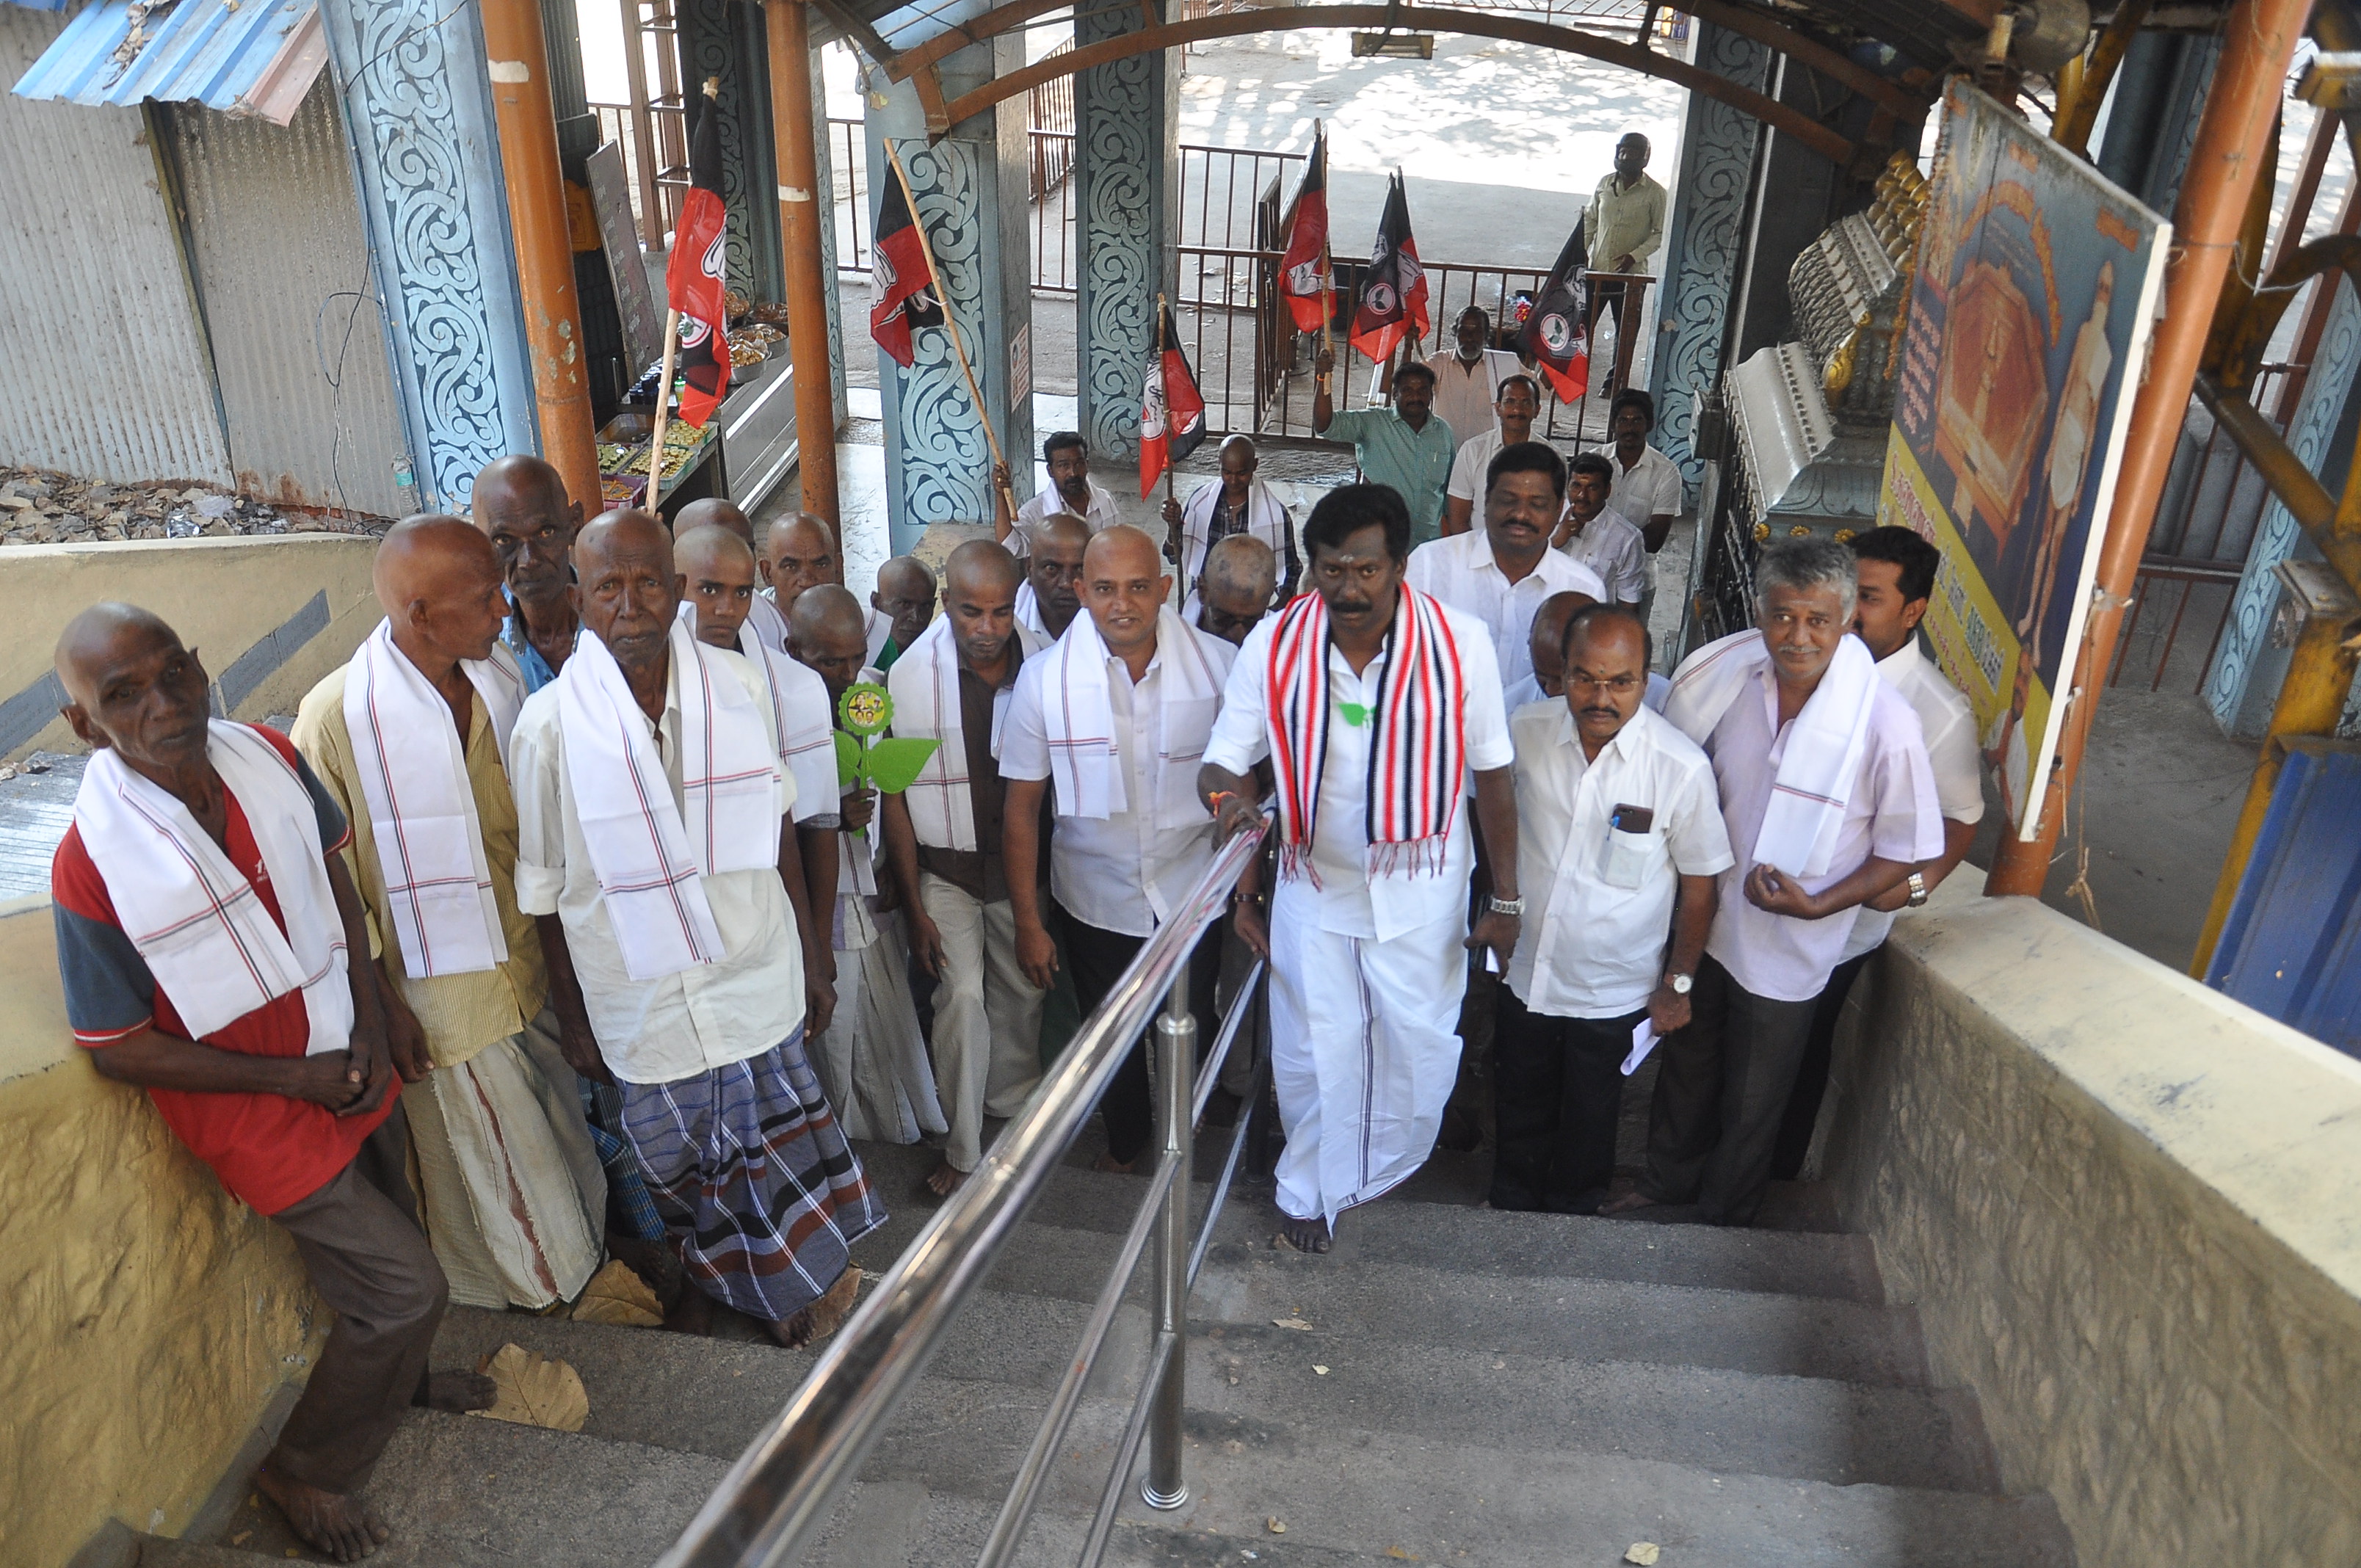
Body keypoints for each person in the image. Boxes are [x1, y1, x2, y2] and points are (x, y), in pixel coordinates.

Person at [49, 603, 487, 1564]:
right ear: (83, 725)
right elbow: (116, 1044)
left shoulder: (263, 758)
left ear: (204, 666)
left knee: (402, 1228)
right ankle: (305, 1468)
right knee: (405, 1288)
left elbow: (332, 875)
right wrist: (296, 1077)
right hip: (260, 1108)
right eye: (124, 696)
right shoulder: (92, 864)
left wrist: (373, 1014)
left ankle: (404, 1387)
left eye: (176, 675)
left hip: (345, 1045)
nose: (164, 707)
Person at [509, 509, 879, 1346]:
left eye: (647, 583)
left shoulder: (740, 689)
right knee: (679, 1171)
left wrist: (815, 957)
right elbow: (544, 892)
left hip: (751, 970)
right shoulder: (548, 728)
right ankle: (726, 1289)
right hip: (639, 998)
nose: (630, 604)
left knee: (773, 1155)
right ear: (582, 597)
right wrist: (573, 1017)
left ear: (674, 590)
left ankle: (781, 1293)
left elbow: (781, 826)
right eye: (609, 586)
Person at [291, 518, 609, 1316]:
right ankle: (554, 1299)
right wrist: (383, 1007)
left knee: (564, 1145)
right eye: (482, 598)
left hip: (528, 961)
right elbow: (326, 890)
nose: (505, 610)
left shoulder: (497, 675)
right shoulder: (336, 718)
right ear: (419, 614)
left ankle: (567, 1278)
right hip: (439, 992)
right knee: (507, 1163)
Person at [1199, 484, 1523, 1254]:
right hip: (1313, 890)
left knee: (1416, 1050)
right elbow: (1224, 758)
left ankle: (1376, 1168)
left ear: (1399, 567)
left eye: (1367, 570)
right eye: (1331, 569)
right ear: (1309, 569)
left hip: (1425, 889)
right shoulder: (1275, 644)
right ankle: (1308, 1192)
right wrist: (1228, 807)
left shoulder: (1460, 643)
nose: (1349, 588)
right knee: (1314, 1052)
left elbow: (1496, 777)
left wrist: (1506, 901)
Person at [1606, 539, 1942, 1227]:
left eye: (1818, 620)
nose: (1799, 636)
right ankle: (1666, 1185)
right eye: (1784, 616)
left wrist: (1819, 904)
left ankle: (1724, 1217)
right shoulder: (1727, 680)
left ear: (1847, 620)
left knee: (1755, 1097)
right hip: (1706, 923)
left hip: (1789, 949)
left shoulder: (1886, 725)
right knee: (1688, 1066)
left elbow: (1906, 850)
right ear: (1760, 613)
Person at [1001, 526, 1236, 1172]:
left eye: (1138, 587)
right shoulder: (1046, 681)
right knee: (1112, 1035)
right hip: (1095, 897)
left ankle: (1188, 1137)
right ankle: (1130, 1143)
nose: (1122, 604)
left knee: (1191, 1019)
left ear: (1165, 588)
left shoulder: (1219, 668)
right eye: (1104, 588)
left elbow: (1251, 781)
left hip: (1192, 889)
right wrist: (1029, 922)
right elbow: (1022, 808)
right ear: (1081, 591)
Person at [1494, 606, 1731, 1213]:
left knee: (1589, 1123)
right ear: (1561, 673)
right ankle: (1508, 1221)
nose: (1601, 697)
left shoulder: (1679, 768)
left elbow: (1702, 887)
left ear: (1646, 679)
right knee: (1518, 1108)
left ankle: (1571, 1235)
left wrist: (1678, 985)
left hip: (1612, 991)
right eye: (1584, 678)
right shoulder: (1522, 732)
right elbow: (1481, 817)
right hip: (1525, 973)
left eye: (1620, 681)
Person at [1770, 527, 1984, 1178]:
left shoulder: (1936, 714)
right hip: (1754, 905)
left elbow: (1962, 818)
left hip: (1840, 926)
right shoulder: (1799, 657)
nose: (1848, 609)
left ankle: (1767, 1186)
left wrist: (1908, 890)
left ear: (1913, 611)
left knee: (1795, 1053)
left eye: (1868, 597)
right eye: (1845, 590)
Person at [883, 542, 1051, 1196]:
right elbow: (893, 796)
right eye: (970, 612)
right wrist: (914, 901)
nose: (987, 629)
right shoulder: (908, 676)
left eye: (1001, 612)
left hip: (1022, 872)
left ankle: (1012, 1118)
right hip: (946, 871)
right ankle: (962, 1144)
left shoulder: (1043, 663)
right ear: (945, 604)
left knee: (1023, 997)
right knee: (960, 998)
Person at [777, 587, 949, 1146]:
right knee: (836, 1013)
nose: (849, 673)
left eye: (856, 656)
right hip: (813, 896)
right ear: (793, 650)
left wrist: (907, 883)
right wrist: (828, 815)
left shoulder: (873, 699)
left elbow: (893, 800)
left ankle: (891, 1114)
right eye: (831, 661)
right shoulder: (779, 707)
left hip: (871, 883)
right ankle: (838, 1127)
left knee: (882, 1001)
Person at [1406, 441, 1605, 692]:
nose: (1521, 515)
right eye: (1508, 500)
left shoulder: (1583, 590)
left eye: (1537, 504)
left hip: (1538, 731)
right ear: (1486, 501)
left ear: (1558, 510)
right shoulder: (1429, 565)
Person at [1313, 353, 1456, 548]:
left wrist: (1448, 542)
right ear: (1395, 393)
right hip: (1382, 544)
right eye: (1407, 390)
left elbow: (1448, 492)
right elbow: (1324, 425)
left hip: (1429, 544)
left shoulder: (1444, 432)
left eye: (1423, 390)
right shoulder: (1373, 423)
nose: (1415, 397)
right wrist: (1322, 378)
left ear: (1431, 394)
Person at [474, 454, 582, 692]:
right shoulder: (476, 644)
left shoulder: (620, 618)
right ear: (480, 545)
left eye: (545, 533)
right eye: (504, 540)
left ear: (574, 525)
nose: (528, 560)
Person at [1161, 434, 1301, 603]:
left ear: (1255, 465)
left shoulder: (1277, 516)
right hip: (1205, 601)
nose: (1233, 481)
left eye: (1241, 473)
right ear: (1219, 463)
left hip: (1249, 605)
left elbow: (1290, 570)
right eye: (1227, 472)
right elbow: (1174, 556)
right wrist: (1173, 526)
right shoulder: (1200, 504)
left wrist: (1281, 605)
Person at [1583, 133, 1667, 387]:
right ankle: (1572, 379)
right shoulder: (1604, 184)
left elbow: (1660, 233)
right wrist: (1580, 254)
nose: (1625, 156)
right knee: (1582, 327)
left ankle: (1615, 382)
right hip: (1598, 270)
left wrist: (1634, 256)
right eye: (1623, 150)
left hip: (1631, 278)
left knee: (1626, 333)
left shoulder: (1655, 193)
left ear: (1644, 157)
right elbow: (1590, 220)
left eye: (1632, 152)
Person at [1443, 373, 1542, 538]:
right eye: (1510, 402)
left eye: (1526, 402)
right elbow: (1458, 520)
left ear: (1537, 410)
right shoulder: (1472, 451)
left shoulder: (1551, 456)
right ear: (1498, 408)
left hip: (1531, 555)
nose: (1517, 410)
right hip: (1478, 553)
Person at [999, 432, 1120, 556]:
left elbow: (1116, 545)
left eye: (1079, 464)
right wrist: (1000, 495)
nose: (1073, 473)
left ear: (1087, 465)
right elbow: (1010, 546)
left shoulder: (1105, 500)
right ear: (1050, 471)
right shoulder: (1035, 511)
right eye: (1064, 466)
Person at [1554, 452, 1650, 606]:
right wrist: (1555, 542)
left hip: (1591, 623)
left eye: (1592, 488)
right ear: (1567, 486)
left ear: (1607, 491)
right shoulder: (1547, 517)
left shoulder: (1627, 538)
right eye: (1576, 486)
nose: (1581, 496)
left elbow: (1629, 599)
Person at [1429, 306, 1526, 449]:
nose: (1469, 337)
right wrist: (1408, 346)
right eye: (1464, 331)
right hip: (1444, 455)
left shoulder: (1504, 364)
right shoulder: (1439, 362)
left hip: (1486, 457)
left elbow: (1542, 388)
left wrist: (1549, 350)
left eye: (1477, 332)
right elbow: (1406, 383)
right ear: (1455, 333)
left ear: (1486, 336)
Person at [1193, 534, 1281, 646]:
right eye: (1225, 619)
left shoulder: (1286, 647)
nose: (1238, 636)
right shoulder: (1172, 641)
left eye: (1251, 621)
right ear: (1202, 591)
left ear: (1270, 595)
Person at [1015, 511, 1090, 640]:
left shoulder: (1116, 626)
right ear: (1029, 569)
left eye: (1079, 569)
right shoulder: (1006, 628)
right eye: (1052, 568)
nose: (1067, 583)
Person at [867, 555, 937, 672]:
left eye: (926, 606)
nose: (916, 617)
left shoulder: (942, 662)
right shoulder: (857, 661)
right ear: (876, 603)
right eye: (905, 604)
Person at [762, 513, 843, 611]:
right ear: (767, 574)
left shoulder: (859, 622)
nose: (807, 582)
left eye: (821, 565)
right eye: (790, 567)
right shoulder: (746, 623)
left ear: (838, 568)